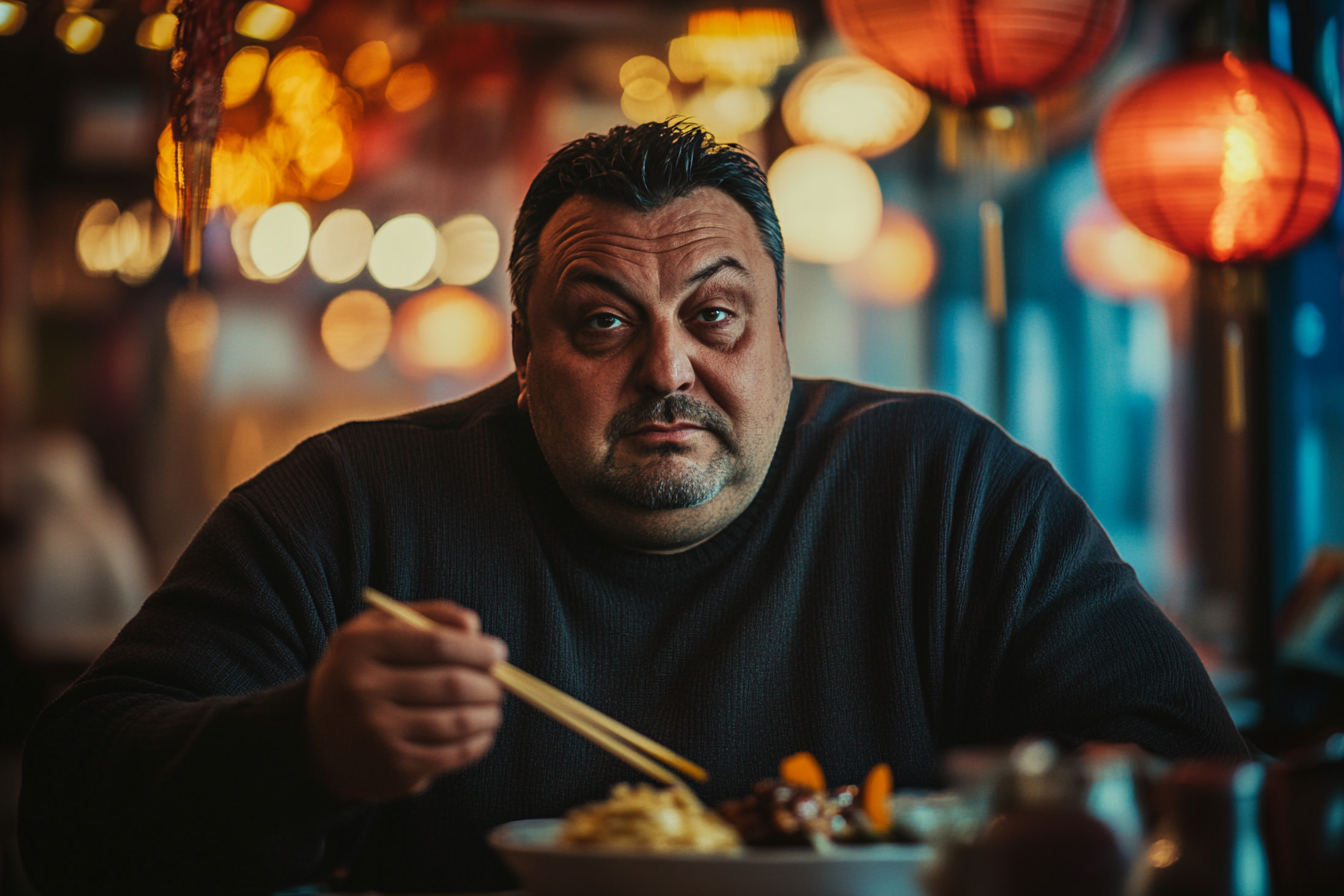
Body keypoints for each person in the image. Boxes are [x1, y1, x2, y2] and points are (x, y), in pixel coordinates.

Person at [19, 121, 1246, 895]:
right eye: (603, 322)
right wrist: (302, 747)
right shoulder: (354, 510)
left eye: (714, 317)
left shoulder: (950, 491)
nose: (667, 370)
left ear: (779, 336)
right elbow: (65, 814)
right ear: (522, 352)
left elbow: (1186, 782)